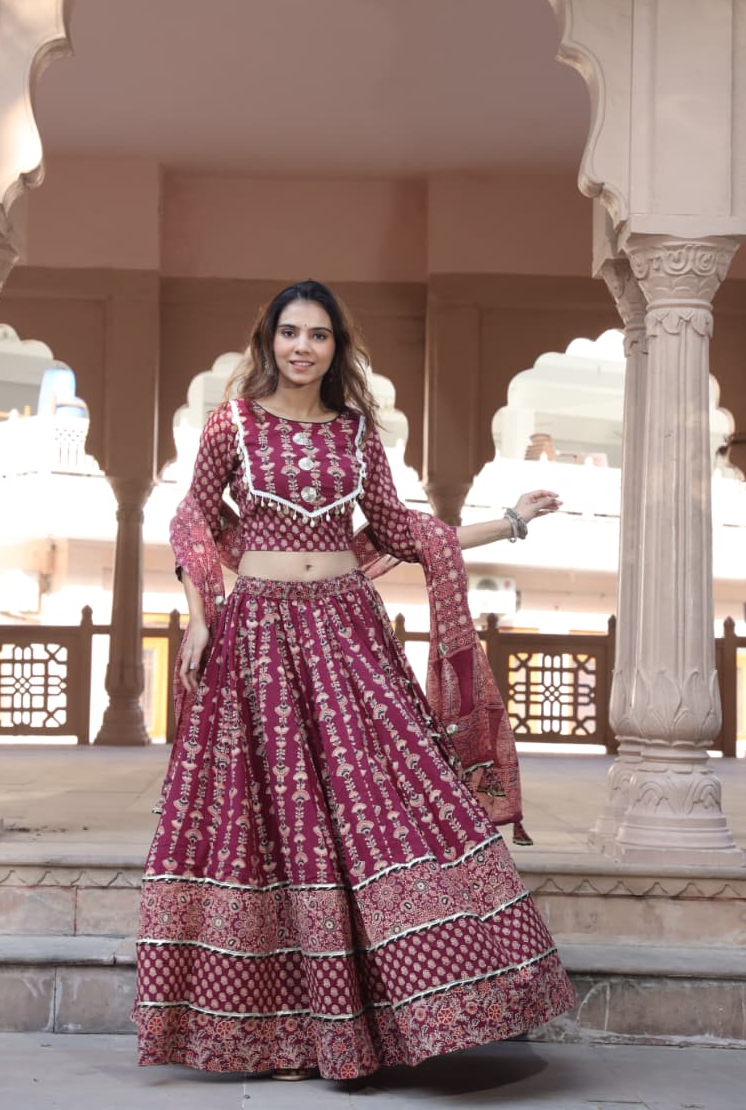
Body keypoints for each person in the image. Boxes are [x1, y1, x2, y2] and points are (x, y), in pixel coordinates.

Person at [133, 280, 575, 1082]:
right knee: (269, 824)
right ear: (268, 341)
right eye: (290, 333)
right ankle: (282, 1031)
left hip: (344, 633)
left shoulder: (356, 435)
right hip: (259, 635)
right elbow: (192, 518)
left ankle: (418, 1008)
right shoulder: (232, 424)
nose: (303, 347)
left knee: (387, 804)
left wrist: (508, 520)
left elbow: (400, 530)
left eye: (320, 336)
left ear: (337, 348)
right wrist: (201, 612)